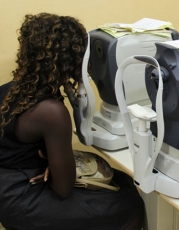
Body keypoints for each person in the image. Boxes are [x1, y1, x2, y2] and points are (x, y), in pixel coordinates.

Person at [0, 13, 144, 230]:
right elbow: (63, 188)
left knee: (123, 180)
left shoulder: (10, 90)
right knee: (129, 204)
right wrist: (50, 160)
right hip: (22, 199)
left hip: (7, 186)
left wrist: (48, 161)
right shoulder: (52, 112)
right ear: (70, 59)